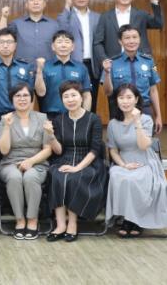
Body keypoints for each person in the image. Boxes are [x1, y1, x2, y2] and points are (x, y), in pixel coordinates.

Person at [105, 84, 167, 237]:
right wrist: (123, 165)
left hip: (144, 160)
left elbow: (143, 145)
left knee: (136, 179)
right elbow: (113, 150)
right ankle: (127, 217)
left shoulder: (146, 119)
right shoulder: (113, 124)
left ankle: (135, 220)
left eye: (129, 97)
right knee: (117, 175)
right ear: (116, 101)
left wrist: (137, 122)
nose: (125, 101)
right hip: (124, 160)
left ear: (136, 100)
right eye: (121, 98)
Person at [46, 81, 106, 243]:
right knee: (56, 175)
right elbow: (58, 150)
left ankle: (72, 223)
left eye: (74, 95)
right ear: (62, 100)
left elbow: (95, 150)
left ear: (81, 98)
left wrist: (77, 167)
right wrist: (50, 135)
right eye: (66, 96)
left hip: (88, 161)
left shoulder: (93, 119)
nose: (70, 99)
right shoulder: (59, 120)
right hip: (64, 158)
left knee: (74, 178)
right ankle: (60, 225)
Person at [0, 83, 52, 240]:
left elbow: (48, 149)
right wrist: (7, 127)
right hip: (10, 162)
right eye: (18, 96)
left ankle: (33, 220)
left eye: (26, 95)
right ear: (12, 99)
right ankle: (20, 220)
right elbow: (4, 150)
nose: (22, 99)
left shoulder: (42, 118)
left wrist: (31, 161)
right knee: (14, 177)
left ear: (32, 99)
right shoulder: (5, 119)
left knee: (30, 176)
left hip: (37, 162)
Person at [102, 25, 163, 134]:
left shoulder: (149, 61)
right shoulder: (112, 63)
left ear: (139, 39)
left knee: (144, 142)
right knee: (120, 142)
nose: (131, 41)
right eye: (127, 38)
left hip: (144, 110)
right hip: (120, 111)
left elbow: (153, 90)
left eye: (135, 37)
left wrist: (158, 116)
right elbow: (107, 92)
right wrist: (107, 73)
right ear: (120, 41)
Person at [93, 0, 163, 67]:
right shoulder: (105, 17)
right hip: (114, 63)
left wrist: (154, 1)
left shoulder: (141, 14)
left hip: (140, 63)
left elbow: (159, 23)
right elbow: (97, 42)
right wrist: (104, 59)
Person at [57, 0, 102, 112]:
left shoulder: (97, 17)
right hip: (73, 63)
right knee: (71, 97)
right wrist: (67, 6)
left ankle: (88, 124)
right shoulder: (67, 16)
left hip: (92, 65)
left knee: (91, 98)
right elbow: (61, 29)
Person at [34, 30, 92, 119]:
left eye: (67, 42)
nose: (63, 45)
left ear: (73, 47)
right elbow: (40, 93)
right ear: (53, 46)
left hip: (76, 115)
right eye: (59, 42)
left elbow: (86, 95)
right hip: (51, 115)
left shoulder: (81, 67)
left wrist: (85, 117)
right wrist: (39, 71)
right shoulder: (45, 66)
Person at [9, 0, 60, 64]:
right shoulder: (16, 23)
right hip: (22, 67)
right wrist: (4, 17)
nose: (35, 2)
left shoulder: (55, 25)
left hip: (48, 68)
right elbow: (2, 38)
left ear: (44, 4)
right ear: (26, 4)